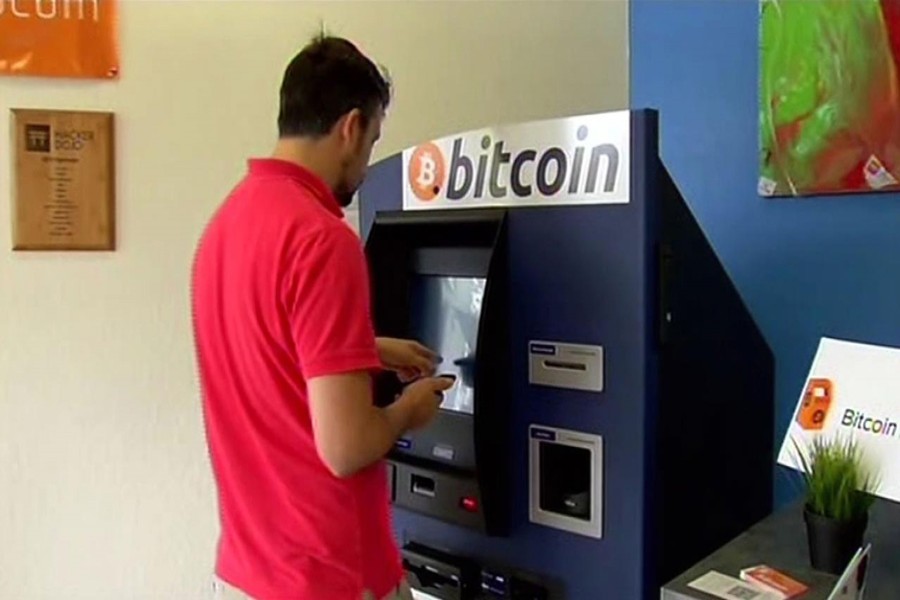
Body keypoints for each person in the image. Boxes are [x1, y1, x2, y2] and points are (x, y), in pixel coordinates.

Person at [191, 35, 454, 600]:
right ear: (351, 127)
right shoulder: (321, 238)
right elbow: (347, 446)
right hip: (328, 575)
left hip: (246, 573)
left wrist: (367, 348)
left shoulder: (225, 226)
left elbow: (268, 347)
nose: (365, 167)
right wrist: (408, 411)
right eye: (373, 140)